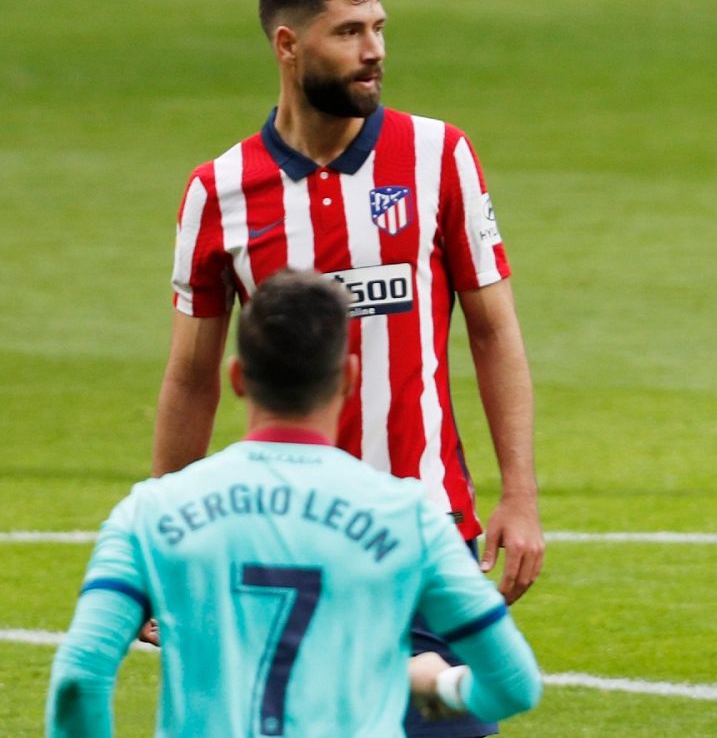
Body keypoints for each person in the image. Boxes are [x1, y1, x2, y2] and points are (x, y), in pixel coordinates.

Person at [153, 0, 542, 738]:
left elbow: (494, 330)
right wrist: (168, 540)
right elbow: (192, 378)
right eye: (348, 32)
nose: (375, 51)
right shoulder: (218, 192)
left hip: (428, 529)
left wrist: (520, 494)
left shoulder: (438, 156)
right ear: (287, 45)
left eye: (378, 28)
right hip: (285, 542)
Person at [47, 272, 542, 736]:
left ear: (238, 377)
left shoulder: (151, 513)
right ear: (348, 377)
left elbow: (79, 675)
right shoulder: (408, 518)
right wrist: (439, 685)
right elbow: (514, 685)